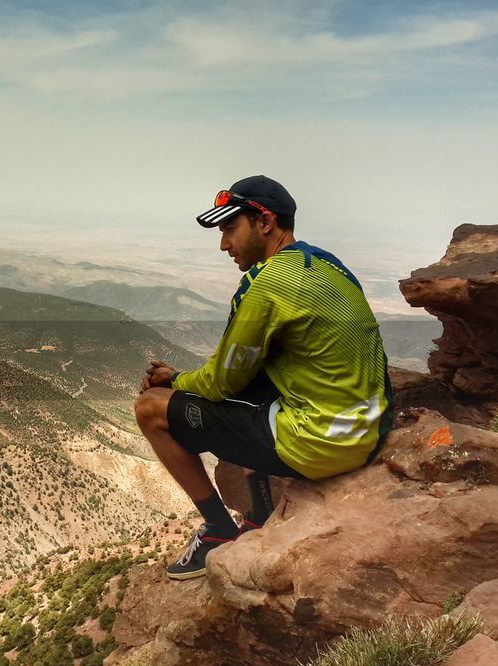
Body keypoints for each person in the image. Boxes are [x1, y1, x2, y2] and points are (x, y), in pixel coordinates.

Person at [135, 175, 393, 580]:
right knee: (253, 394)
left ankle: (219, 532)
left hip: (319, 445)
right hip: (369, 433)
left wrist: (174, 380)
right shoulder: (328, 265)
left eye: (230, 229)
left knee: (151, 408)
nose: (224, 245)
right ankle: (259, 513)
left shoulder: (265, 283)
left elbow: (221, 381)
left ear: (266, 222)